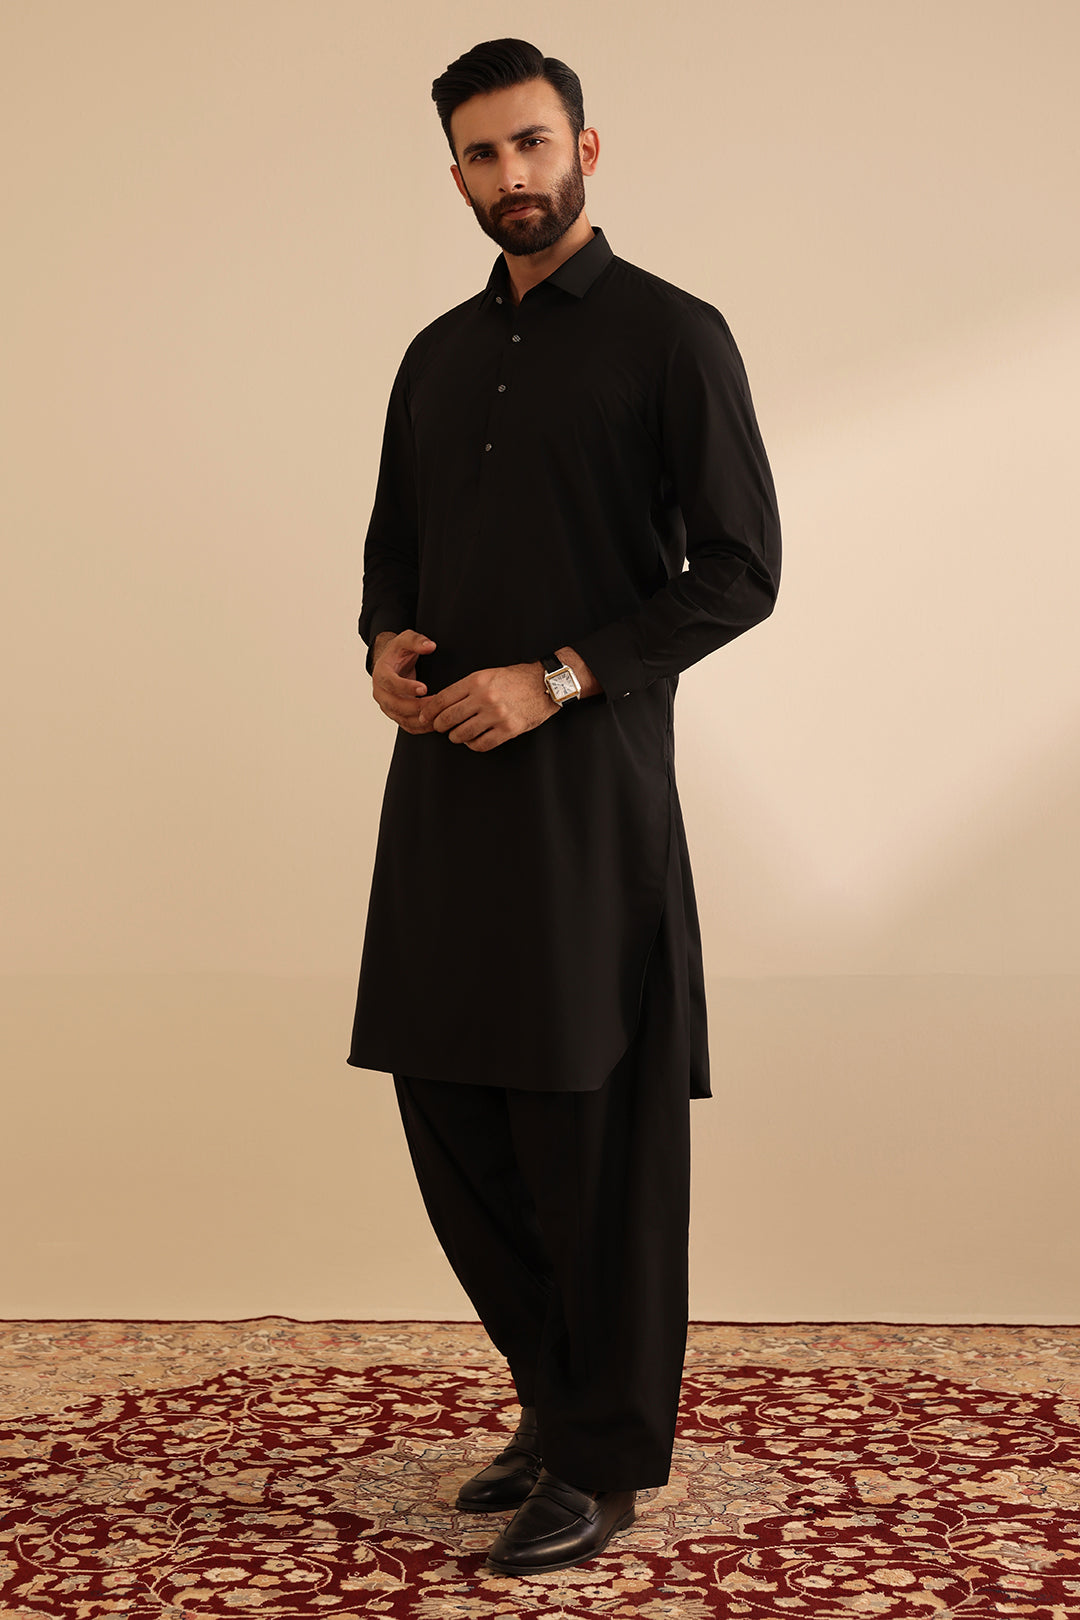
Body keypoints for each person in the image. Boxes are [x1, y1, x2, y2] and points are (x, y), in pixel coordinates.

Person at [347, 37, 781, 1577]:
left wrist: (563, 676)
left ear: (585, 150)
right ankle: (552, 1396)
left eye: (532, 143)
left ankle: (602, 1462)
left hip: (589, 790)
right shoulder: (435, 356)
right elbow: (393, 547)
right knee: (450, 1104)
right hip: (443, 783)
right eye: (482, 154)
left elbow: (740, 571)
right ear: (455, 174)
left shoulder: (674, 337)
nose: (510, 175)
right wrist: (386, 646)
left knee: (588, 1130)